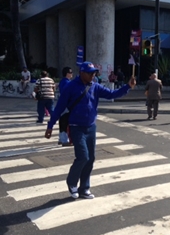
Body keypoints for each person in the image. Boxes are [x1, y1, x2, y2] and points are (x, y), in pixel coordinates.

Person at [44, 61, 136, 199]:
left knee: (91, 158)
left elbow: (111, 94)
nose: (93, 75)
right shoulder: (71, 87)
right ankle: (71, 182)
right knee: (83, 157)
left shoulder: (95, 86)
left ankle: (84, 188)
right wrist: (50, 126)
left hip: (91, 127)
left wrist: (127, 86)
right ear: (81, 73)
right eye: (90, 73)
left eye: (94, 73)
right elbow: (59, 108)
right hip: (76, 127)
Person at [58, 67, 73, 145]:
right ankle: (64, 140)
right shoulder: (67, 83)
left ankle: (61, 138)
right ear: (67, 74)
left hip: (62, 104)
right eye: (71, 73)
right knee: (65, 122)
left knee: (62, 121)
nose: (72, 74)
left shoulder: (62, 81)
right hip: (66, 105)